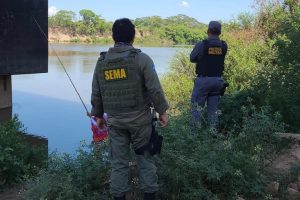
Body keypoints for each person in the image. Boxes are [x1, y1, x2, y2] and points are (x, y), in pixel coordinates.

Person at [90, 18, 169, 200]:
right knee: (145, 160)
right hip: (140, 121)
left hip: (115, 122)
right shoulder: (141, 59)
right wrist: (162, 111)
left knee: (118, 164)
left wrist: (98, 115)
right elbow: (154, 89)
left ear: (113, 36)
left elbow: (96, 92)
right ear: (133, 36)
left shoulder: (101, 62)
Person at [190, 21, 228, 129]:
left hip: (204, 81)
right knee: (213, 113)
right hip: (218, 81)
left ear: (208, 31)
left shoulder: (202, 44)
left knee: (196, 111)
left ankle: (194, 137)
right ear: (220, 32)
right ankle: (213, 136)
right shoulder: (224, 45)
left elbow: (192, 58)